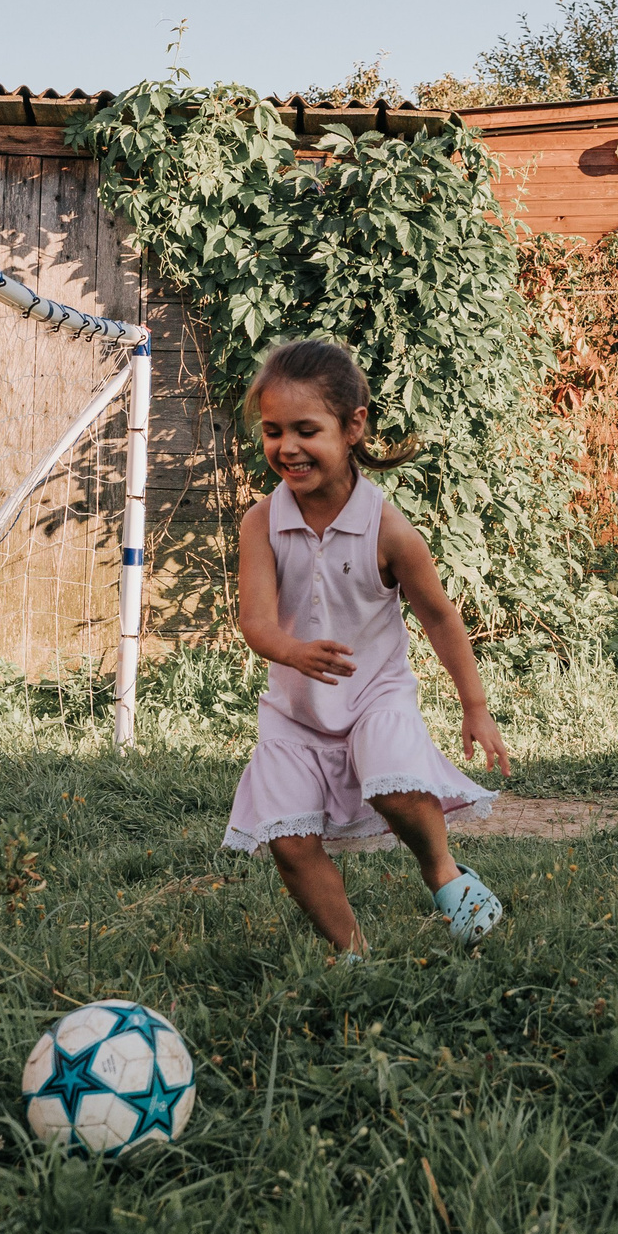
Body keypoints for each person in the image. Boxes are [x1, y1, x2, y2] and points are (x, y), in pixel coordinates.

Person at [220, 338, 509, 954]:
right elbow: (256, 623)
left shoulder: (388, 528)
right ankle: (353, 954)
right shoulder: (261, 523)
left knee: (396, 787)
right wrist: (293, 652)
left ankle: (442, 871)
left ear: (353, 427)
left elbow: (439, 617)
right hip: (295, 713)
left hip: (377, 696)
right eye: (273, 431)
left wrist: (475, 706)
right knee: (288, 841)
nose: (287, 447)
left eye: (306, 430)